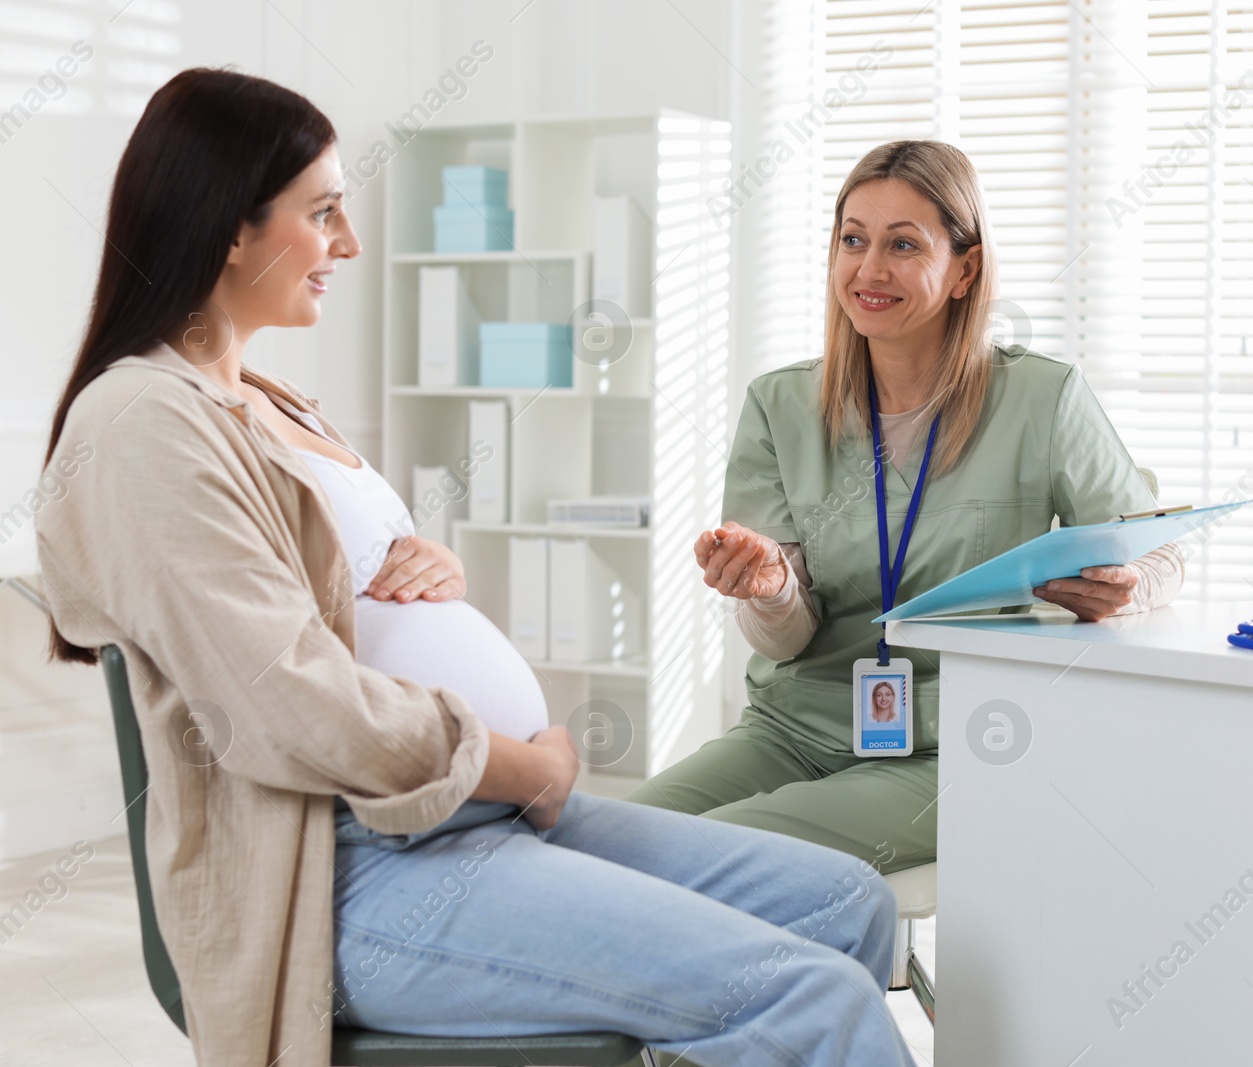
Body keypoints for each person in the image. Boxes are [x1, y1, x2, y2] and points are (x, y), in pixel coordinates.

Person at [33, 68, 918, 1067]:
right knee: (809, 998)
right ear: (231, 227)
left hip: (481, 822)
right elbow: (288, 702)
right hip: (356, 869)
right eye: (323, 213)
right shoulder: (140, 422)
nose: (349, 243)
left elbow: (337, 595)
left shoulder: (266, 399)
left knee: (846, 902)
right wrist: (526, 760)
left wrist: (421, 564)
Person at [625, 140, 1184, 875]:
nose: (869, 269)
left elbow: (1162, 551)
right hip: (795, 725)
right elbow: (785, 641)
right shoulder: (779, 403)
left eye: (903, 244)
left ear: (965, 269)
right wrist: (770, 589)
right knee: (604, 845)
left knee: (709, 855)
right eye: (852, 240)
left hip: (961, 740)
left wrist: (1129, 587)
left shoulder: (1043, 400)